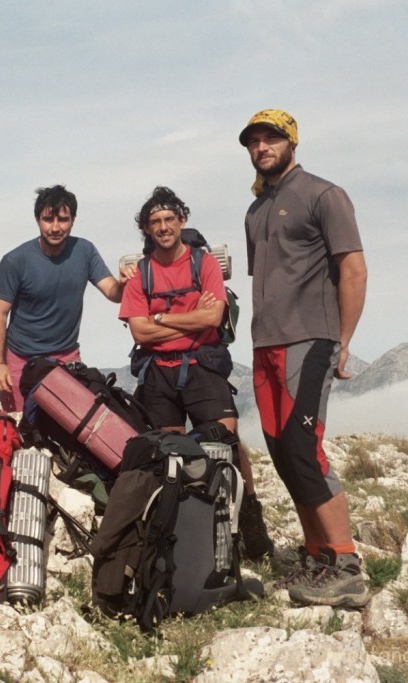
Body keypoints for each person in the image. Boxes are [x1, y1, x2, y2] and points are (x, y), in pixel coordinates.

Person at [239, 109, 369, 607]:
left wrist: (343, 340)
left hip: (310, 339)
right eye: (253, 141)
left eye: (271, 137)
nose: (262, 146)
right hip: (264, 344)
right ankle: (318, 556)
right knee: (283, 450)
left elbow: (353, 271)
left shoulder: (323, 194)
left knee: (304, 446)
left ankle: (346, 565)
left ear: (291, 141)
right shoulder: (256, 210)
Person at [119, 186, 274, 560]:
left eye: (169, 219)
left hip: (203, 366)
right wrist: (189, 322)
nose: (163, 227)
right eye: (155, 222)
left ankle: (249, 517)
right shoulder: (139, 274)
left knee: (228, 443)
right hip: (158, 374)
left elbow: (214, 316)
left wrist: (162, 318)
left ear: (182, 220)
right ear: (146, 228)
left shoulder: (203, 263)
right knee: (168, 456)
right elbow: (139, 332)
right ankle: (180, 532)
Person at [0, 185, 126, 411]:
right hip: (20, 358)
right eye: (47, 219)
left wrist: (126, 282)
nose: (55, 227)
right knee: (22, 430)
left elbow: (113, 292)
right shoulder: (15, 260)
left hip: (66, 356)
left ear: (73, 220)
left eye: (62, 219)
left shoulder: (85, 250)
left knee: (74, 426)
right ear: (37, 219)